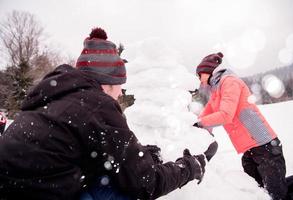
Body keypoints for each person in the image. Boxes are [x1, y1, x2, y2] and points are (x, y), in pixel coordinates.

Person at [0, 27, 217, 200]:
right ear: (108, 82)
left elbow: (91, 153)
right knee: (118, 190)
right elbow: (145, 185)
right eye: (119, 84)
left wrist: (145, 156)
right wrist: (189, 167)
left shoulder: (56, 99)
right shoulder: (96, 105)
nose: (122, 91)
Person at [193, 52, 293, 200]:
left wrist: (199, 124)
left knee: (276, 197)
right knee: (262, 191)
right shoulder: (216, 92)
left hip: (266, 146)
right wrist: (191, 125)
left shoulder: (229, 82)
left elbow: (225, 115)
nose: (198, 79)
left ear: (209, 70)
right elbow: (205, 116)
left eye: (200, 75)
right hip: (250, 151)